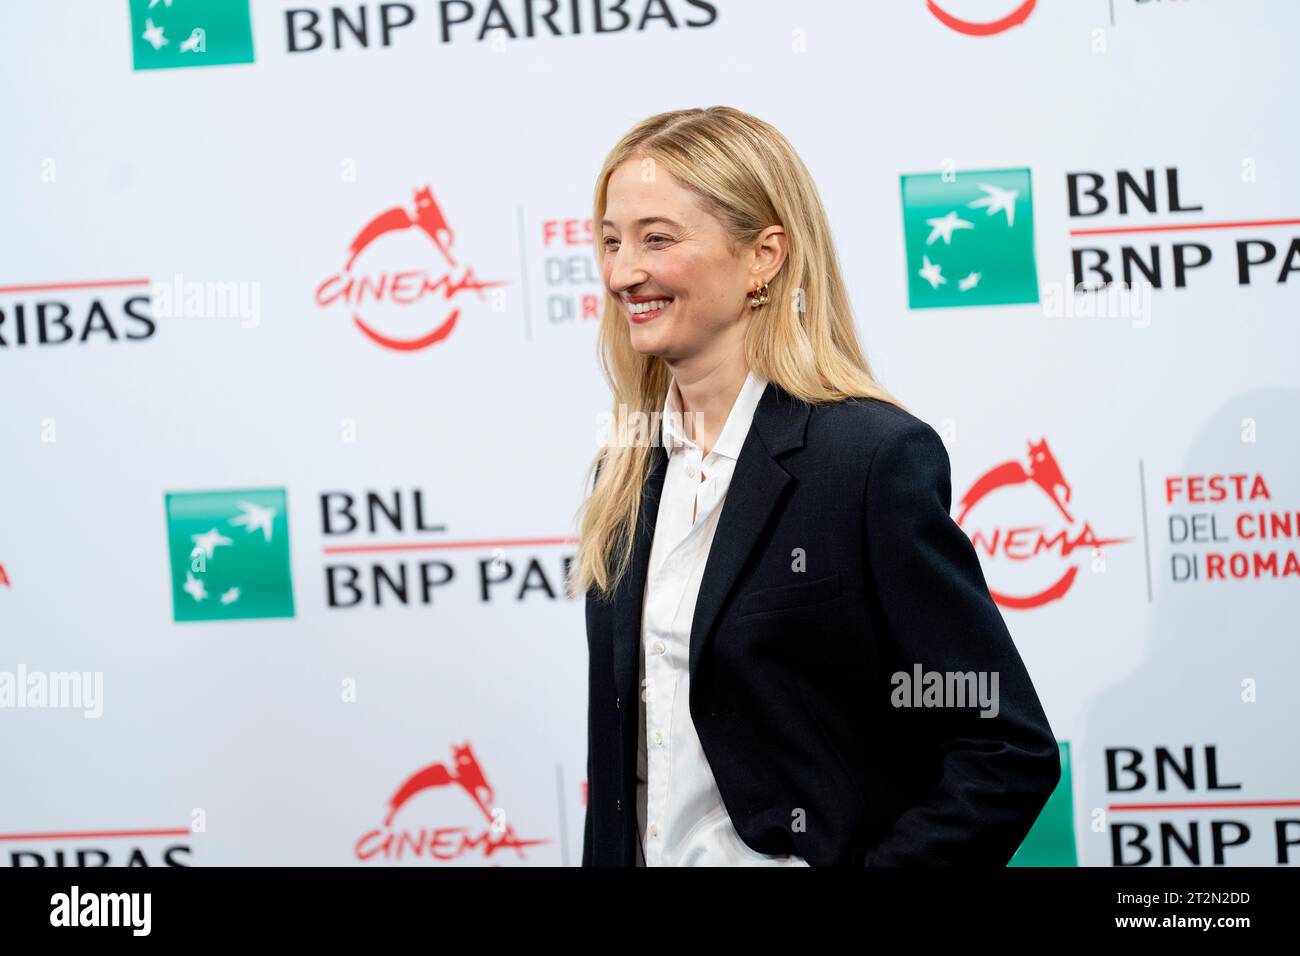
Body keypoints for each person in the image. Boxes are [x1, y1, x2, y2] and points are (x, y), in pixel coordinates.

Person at [567, 106, 1060, 867]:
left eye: (656, 239)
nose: (622, 271)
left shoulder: (867, 461)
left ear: (764, 256)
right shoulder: (624, 475)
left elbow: (1005, 749)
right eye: (610, 241)